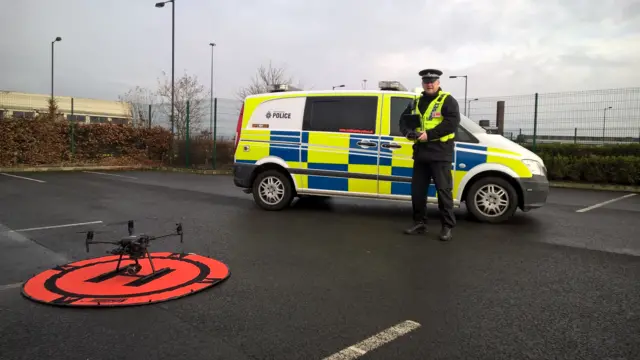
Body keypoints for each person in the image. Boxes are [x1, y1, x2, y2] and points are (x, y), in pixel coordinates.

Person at [399, 68, 460, 241]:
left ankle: (447, 226)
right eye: (426, 81)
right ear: (423, 84)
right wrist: (408, 133)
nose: (429, 84)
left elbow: (452, 123)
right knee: (417, 192)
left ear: (438, 83)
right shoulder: (416, 101)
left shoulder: (447, 100)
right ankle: (419, 223)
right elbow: (403, 120)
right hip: (421, 154)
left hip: (440, 153)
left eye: (432, 81)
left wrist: (429, 135)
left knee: (443, 191)